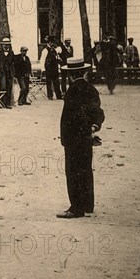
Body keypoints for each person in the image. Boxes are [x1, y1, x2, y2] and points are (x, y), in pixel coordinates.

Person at [57, 58, 105, 219]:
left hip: (73, 138)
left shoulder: (72, 91)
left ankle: (76, 208)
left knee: (72, 172)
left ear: (70, 74)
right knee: (85, 169)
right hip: (86, 137)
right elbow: (98, 113)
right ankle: (87, 204)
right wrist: (93, 128)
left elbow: (73, 117)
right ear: (83, 72)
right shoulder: (91, 89)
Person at [0, 37, 15, 108]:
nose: (6, 46)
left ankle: (7, 104)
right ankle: (1, 103)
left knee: (9, 88)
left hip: (9, 74)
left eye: (7, 45)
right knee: (2, 88)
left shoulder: (12, 54)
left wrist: (12, 70)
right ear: (2, 46)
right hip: (2, 74)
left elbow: (14, 63)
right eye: (4, 45)